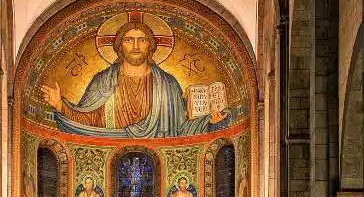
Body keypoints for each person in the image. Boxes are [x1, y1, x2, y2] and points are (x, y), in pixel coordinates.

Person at [39, 20, 233, 138]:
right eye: (128, 40)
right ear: (119, 45)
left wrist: (210, 121)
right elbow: (86, 121)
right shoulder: (102, 81)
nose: (135, 46)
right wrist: (60, 105)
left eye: (142, 40)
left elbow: (179, 130)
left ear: (151, 46)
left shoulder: (168, 84)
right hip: (108, 148)